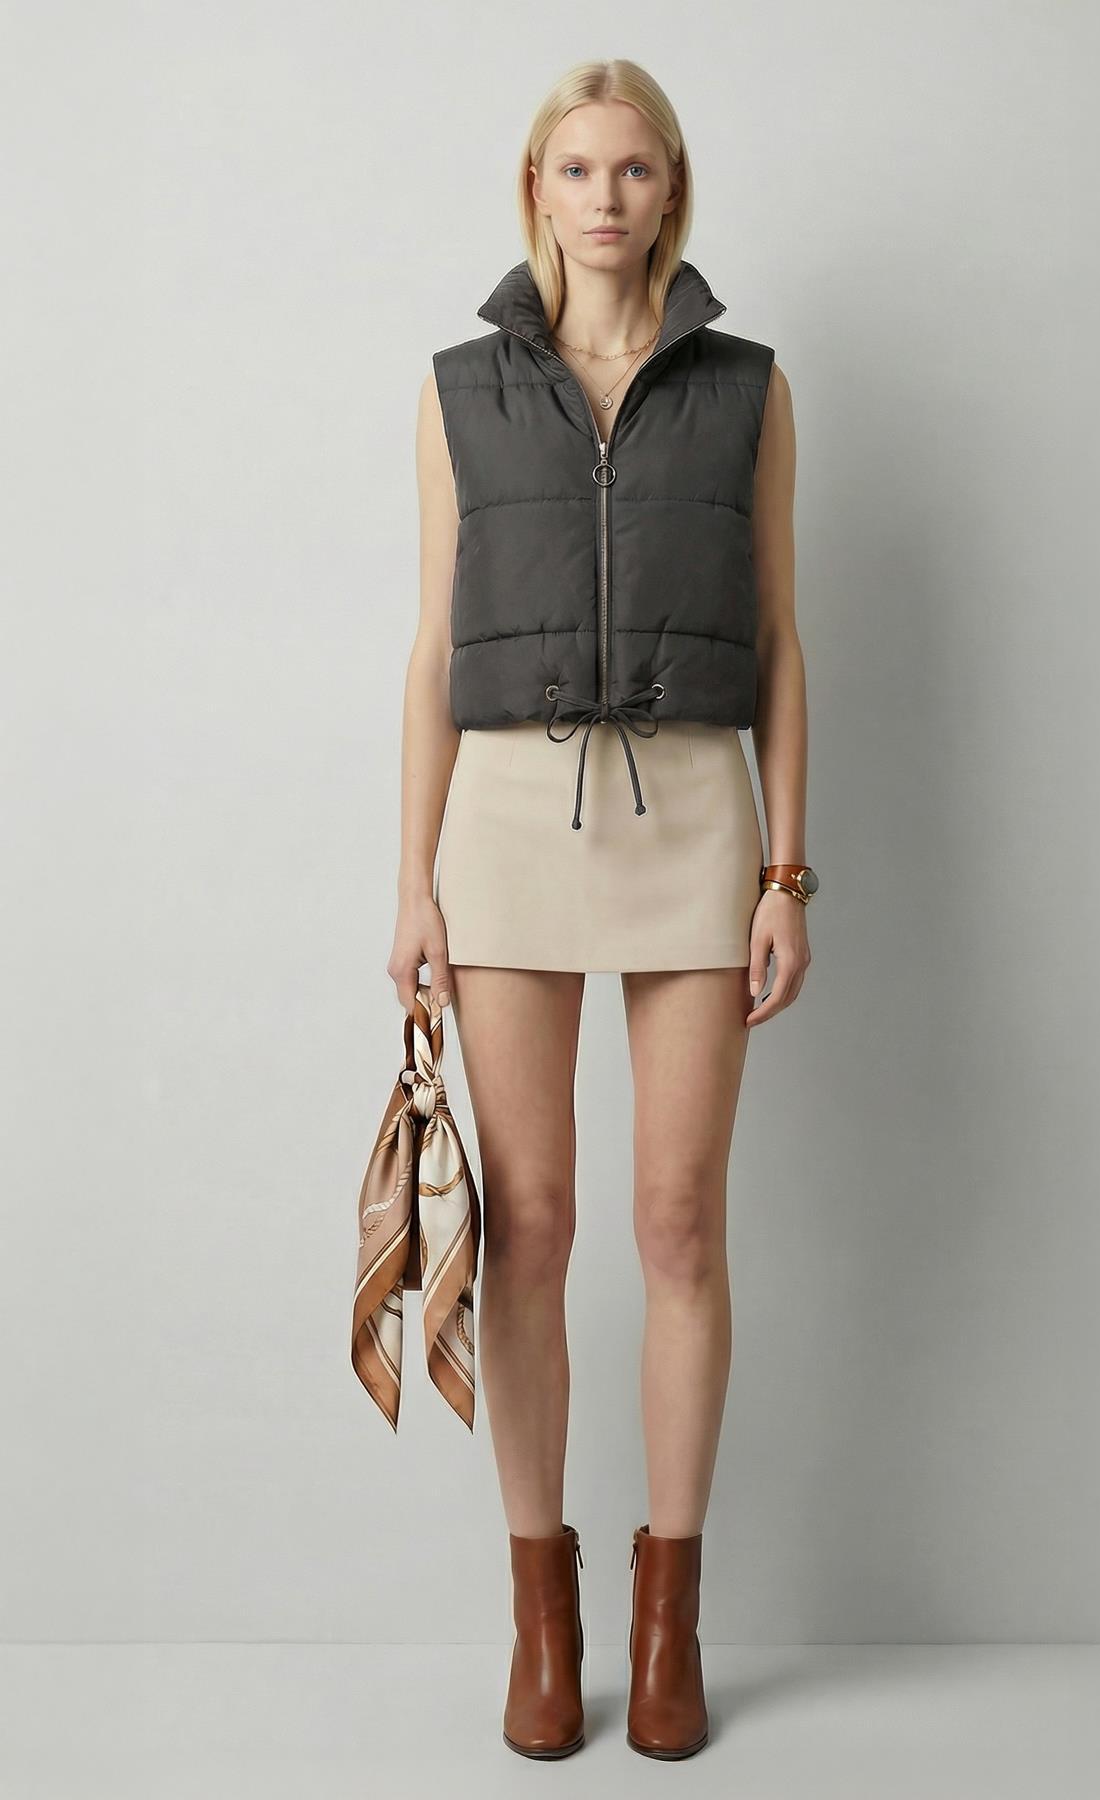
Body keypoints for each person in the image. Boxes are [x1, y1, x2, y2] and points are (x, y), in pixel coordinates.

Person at [387, 58, 814, 1760]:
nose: (607, 198)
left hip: (695, 816)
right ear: (537, 188)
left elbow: (782, 639)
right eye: (578, 168)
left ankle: (669, 1618)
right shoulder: (461, 391)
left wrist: (786, 870)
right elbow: (434, 647)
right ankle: (543, 1621)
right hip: (506, 822)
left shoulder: (749, 389)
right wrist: (410, 884)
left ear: (671, 187)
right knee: (536, 1224)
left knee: (680, 1223)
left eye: (635, 169)